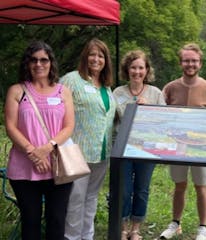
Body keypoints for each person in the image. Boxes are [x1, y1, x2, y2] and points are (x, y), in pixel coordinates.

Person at [4, 41, 75, 239]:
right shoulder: (17, 91)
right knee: (31, 220)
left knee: (57, 220)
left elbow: (68, 126)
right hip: (23, 168)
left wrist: (46, 149)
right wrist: (33, 153)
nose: (38, 64)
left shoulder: (63, 91)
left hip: (58, 166)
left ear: (51, 63)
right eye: (33, 60)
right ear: (27, 63)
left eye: (44, 60)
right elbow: (10, 126)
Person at [159, 43, 206, 240]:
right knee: (179, 185)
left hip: (200, 149)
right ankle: (175, 223)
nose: (190, 64)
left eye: (194, 61)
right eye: (187, 60)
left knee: (201, 186)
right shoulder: (170, 88)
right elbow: (161, 115)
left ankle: (203, 227)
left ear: (200, 63)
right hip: (177, 147)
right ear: (181, 63)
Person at [61, 38, 116, 240]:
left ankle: (87, 236)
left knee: (91, 198)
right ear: (85, 56)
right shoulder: (71, 80)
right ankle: (72, 237)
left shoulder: (106, 85)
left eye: (100, 55)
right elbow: (57, 111)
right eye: (92, 54)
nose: (96, 59)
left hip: (102, 153)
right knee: (75, 198)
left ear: (105, 60)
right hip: (77, 151)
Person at [113, 50, 166, 240]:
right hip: (123, 149)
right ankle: (123, 227)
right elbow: (112, 121)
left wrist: (149, 110)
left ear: (147, 70)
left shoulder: (155, 93)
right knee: (124, 190)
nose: (137, 71)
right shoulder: (117, 92)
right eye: (133, 67)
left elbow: (164, 123)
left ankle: (136, 229)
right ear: (127, 70)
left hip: (147, 149)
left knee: (141, 189)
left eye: (140, 68)